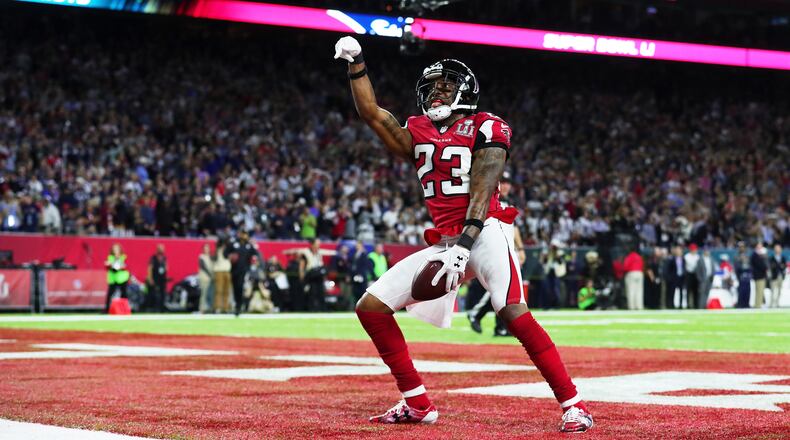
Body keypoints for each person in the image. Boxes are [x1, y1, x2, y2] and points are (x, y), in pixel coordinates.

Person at [335, 37, 592, 432]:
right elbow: (372, 113)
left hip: (486, 229)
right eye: (432, 87)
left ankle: (573, 405)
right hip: (445, 239)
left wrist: (465, 247)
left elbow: (483, 189)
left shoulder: (488, 124)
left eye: (446, 86)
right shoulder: (417, 130)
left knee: (511, 311)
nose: (437, 92)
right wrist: (357, 63)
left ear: (465, 91)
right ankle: (417, 403)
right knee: (371, 307)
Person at [226, 229, 261, 316]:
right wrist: (230, 256)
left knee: (241, 287)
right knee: (236, 288)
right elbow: (225, 253)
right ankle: (237, 305)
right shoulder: (234, 243)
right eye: (243, 234)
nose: (244, 236)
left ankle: (240, 306)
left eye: (246, 234)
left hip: (244, 270)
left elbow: (256, 254)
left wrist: (254, 260)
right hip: (234, 270)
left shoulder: (249, 245)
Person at [104, 243, 130, 313]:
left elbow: (126, 266)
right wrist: (109, 264)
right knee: (110, 294)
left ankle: (125, 310)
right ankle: (107, 310)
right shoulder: (110, 257)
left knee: (124, 294)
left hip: (122, 278)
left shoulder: (123, 257)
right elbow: (107, 266)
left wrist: (119, 266)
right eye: (114, 249)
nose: (116, 251)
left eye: (117, 249)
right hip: (113, 278)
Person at [147, 244, 168, 312]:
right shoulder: (153, 258)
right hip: (155, 277)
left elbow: (166, 267)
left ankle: (162, 308)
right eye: (160, 248)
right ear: (157, 249)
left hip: (162, 278)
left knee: (162, 294)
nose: (162, 250)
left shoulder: (164, 258)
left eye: (163, 248)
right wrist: (150, 278)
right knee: (153, 293)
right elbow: (150, 268)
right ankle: (152, 307)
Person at [213, 239, 232, 313]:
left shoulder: (229, 251)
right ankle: (217, 307)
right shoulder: (218, 250)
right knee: (219, 290)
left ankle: (225, 307)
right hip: (219, 271)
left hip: (227, 271)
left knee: (226, 291)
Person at [198, 243, 215, 313]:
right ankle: (202, 308)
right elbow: (204, 267)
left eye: (207, 248)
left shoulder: (211, 257)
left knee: (211, 293)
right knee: (203, 293)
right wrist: (211, 274)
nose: (206, 249)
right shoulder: (201, 256)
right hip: (204, 277)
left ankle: (209, 308)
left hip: (211, 278)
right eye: (205, 248)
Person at [684, 243, 700, 309]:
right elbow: (689, 266)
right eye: (693, 249)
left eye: (695, 249)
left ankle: (696, 305)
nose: (694, 250)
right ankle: (688, 305)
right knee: (688, 291)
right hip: (689, 274)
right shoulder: (686, 256)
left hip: (696, 275)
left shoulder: (698, 256)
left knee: (695, 291)